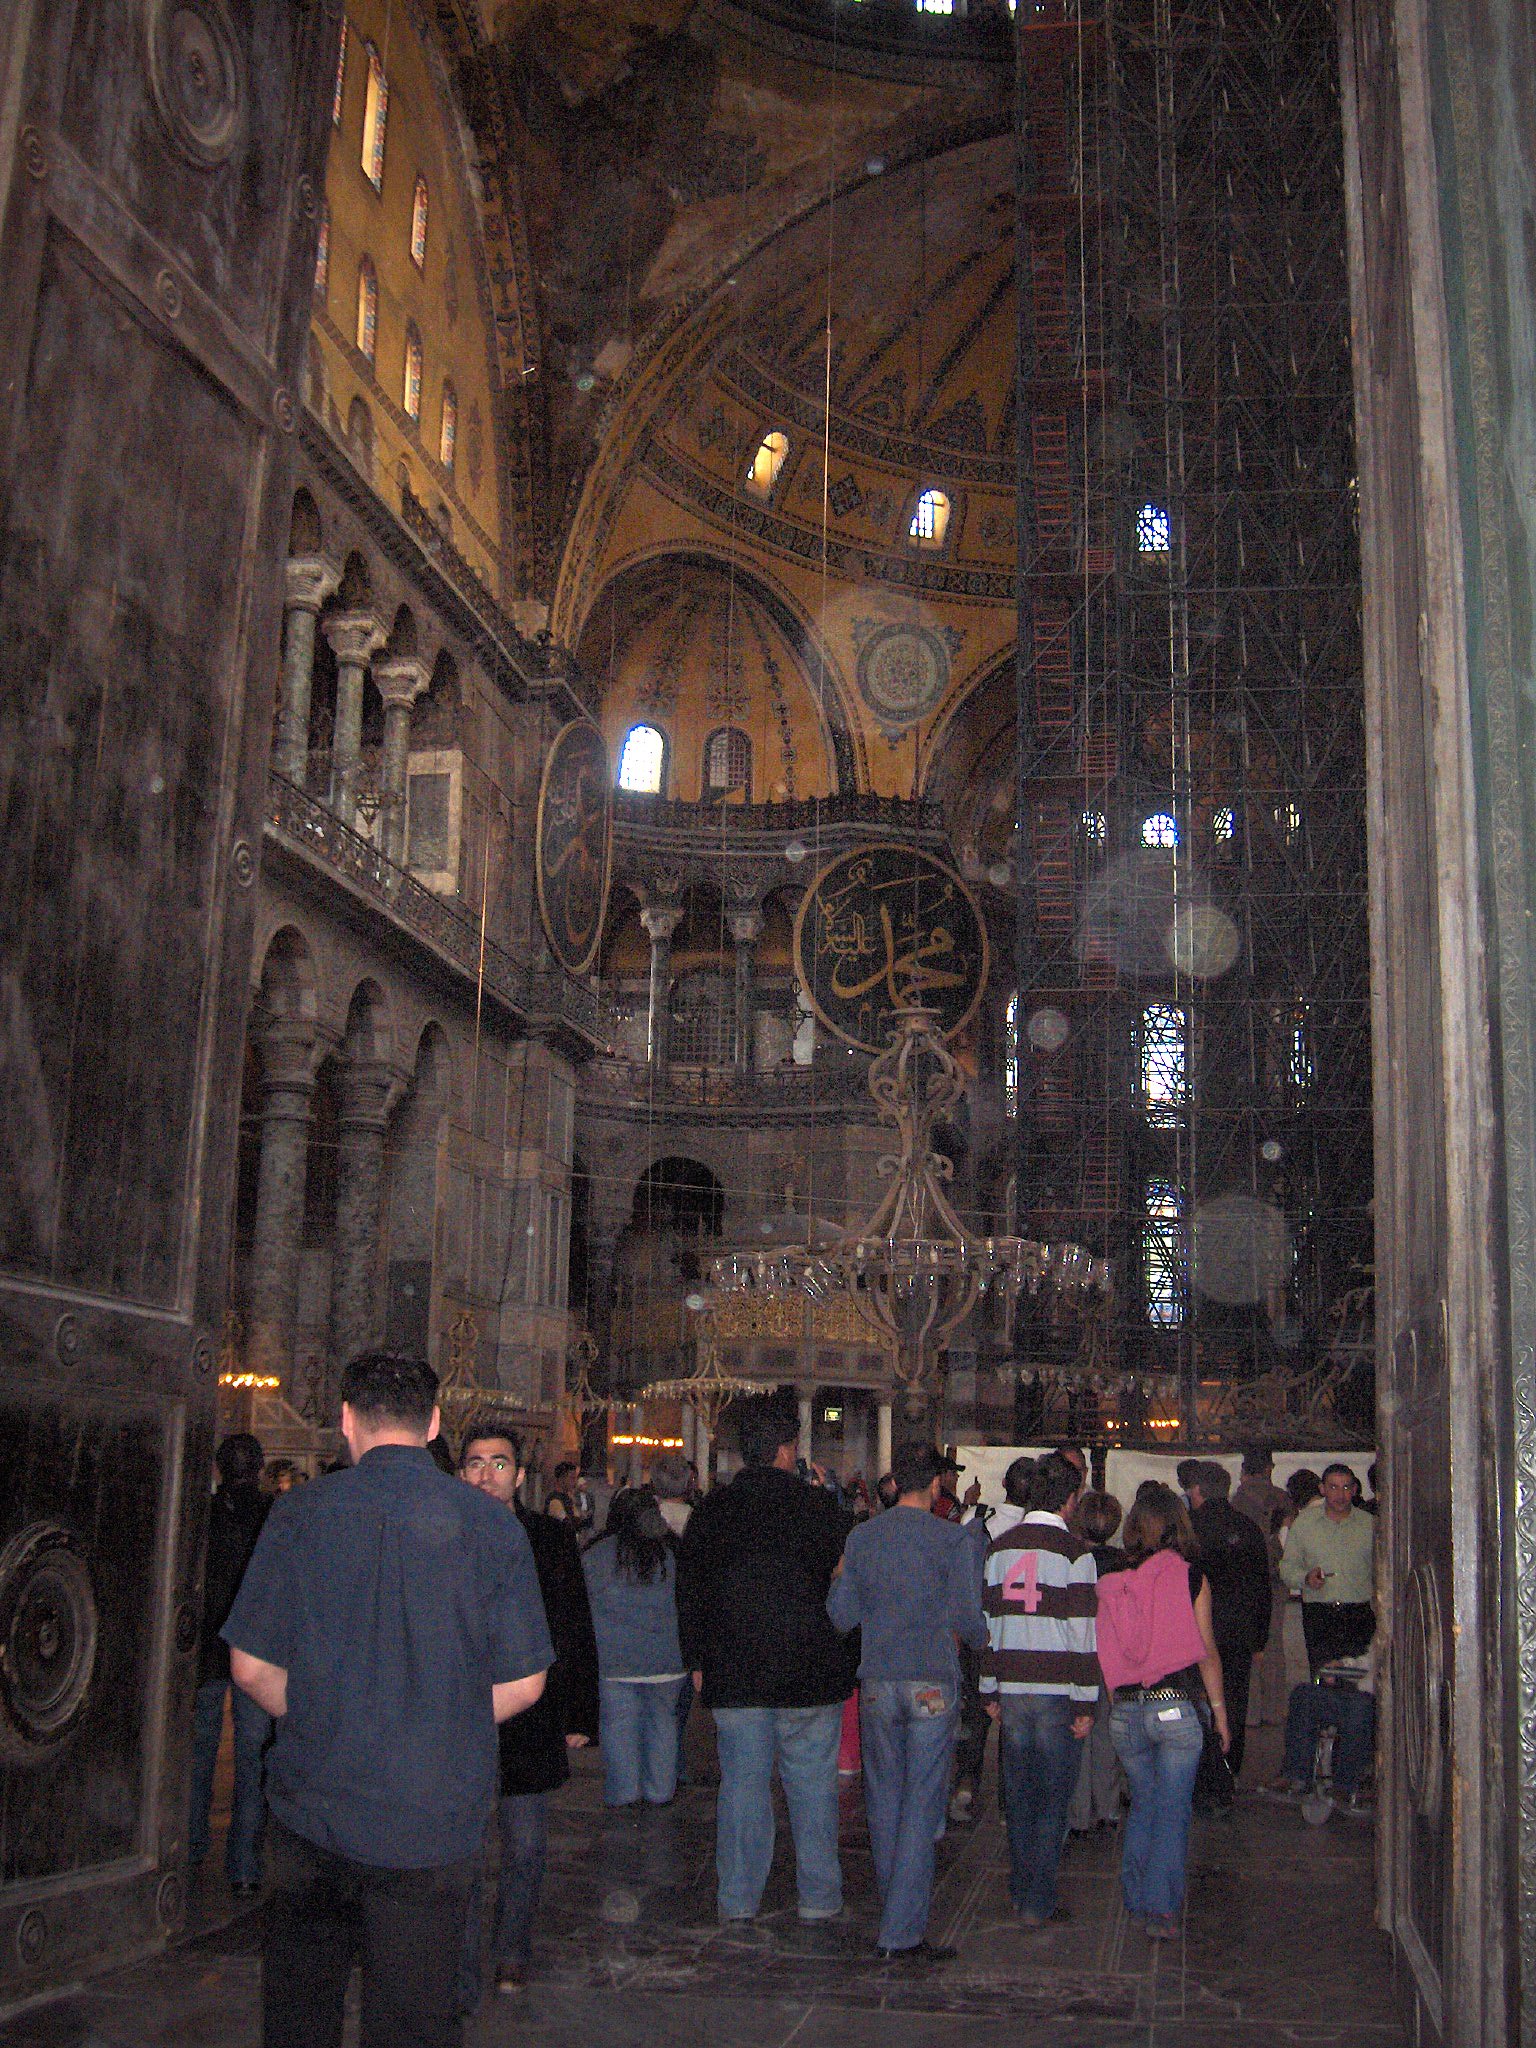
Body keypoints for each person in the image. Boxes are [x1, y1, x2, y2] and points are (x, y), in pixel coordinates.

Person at [224, 1354, 552, 2048]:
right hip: (428, 1819)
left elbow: (250, 1667)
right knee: (413, 2021)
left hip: (315, 1807)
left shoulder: (298, 1512)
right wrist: (434, 1717)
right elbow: (525, 1683)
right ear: (434, 1424)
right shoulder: (493, 1528)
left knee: (301, 2016)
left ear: (345, 1420)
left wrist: (330, 1708)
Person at [677, 1392, 856, 1924]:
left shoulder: (711, 1509)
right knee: (812, 1789)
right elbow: (842, 1583)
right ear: (787, 1448)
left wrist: (697, 1659)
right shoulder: (817, 1507)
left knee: (743, 1786)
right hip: (808, 1667)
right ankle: (819, 1898)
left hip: (735, 1668)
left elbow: (690, 1591)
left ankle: (737, 1899)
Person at [827, 1440, 987, 1960]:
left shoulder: (863, 1536)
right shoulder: (952, 1540)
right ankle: (901, 1929)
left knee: (883, 1800)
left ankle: (894, 1909)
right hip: (931, 1683)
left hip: (877, 1680)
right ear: (937, 1484)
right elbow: (968, 1619)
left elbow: (841, 1615)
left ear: (894, 1482)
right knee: (921, 1804)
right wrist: (981, 1637)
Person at [457, 1420, 598, 2004]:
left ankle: (511, 1949)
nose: (487, 1474)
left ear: (519, 1474)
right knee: (457, 1848)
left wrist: (581, 1712)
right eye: (475, 1463)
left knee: (525, 1844)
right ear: (460, 1472)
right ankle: (461, 1959)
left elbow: (572, 1621)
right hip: (456, 1712)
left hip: (530, 1709)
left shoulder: (548, 1537)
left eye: (499, 1463)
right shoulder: (441, 1534)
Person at [1097, 1482, 1230, 1941]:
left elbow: (1108, 1653)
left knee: (1143, 1804)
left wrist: (1121, 1707)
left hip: (1126, 1710)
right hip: (1174, 1707)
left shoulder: (1112, 1581)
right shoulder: (1191, 1576)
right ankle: (1160, 1909)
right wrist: (1219, 1713)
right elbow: (1206, 1651)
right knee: (1173, 1810)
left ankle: (1135, 1896)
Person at [979, 1452, 1098, 1926]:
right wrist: (1086, 1699)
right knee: (1052, 1801)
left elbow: (987, 1625)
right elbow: (1082, 1633)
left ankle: (1020, 1888)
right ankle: (1037, 1899)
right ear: (1070, 1501)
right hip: (1055, 1694)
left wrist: (988, 1690)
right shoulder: (1075, 1554)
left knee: (1020, 1796)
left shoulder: (999, 1548)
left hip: (1010, 1689)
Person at [189, 1433, 271, 1897]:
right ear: (258, 1467)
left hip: (204, 1645)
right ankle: (242, 1865)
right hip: (253, 1647)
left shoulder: (200, 1513)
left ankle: (193, 1848)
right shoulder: (273, 1516)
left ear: (218, 1469)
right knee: (252, 1758)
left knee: (199, 1756)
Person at [583, 1487, 687, 1808]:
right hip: (668, 1661)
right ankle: (660, 1789)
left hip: (616, 1663)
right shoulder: (671, 1551)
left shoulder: (597, 1554)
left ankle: (624, 1791)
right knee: (663, 1725)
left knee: (619, 1728)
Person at [948, 1455, 1038, 1824]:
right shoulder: (1037, 1534)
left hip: (977, 1631)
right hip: (1017, 1635)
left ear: (1004, 1485)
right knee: (1014, 1716)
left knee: (975, 1711)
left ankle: (966, 1784)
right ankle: (1009, 1800)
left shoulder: (977, 1519)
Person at [1186, 1460, 1271, 1781]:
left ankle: (1197, 1770)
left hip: (1195, 1629)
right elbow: (1262, 1586)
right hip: (1238, 1632)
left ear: (1196, 1490)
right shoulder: (1247, 1527)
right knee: (1233, 1701)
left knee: (1196, 1699)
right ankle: (1228, 1768)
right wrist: (1259, 1638)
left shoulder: (1188, 1527)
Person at [1066, 1490, 1127, 1836]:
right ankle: (1108, 1805)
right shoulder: (1123, 1563)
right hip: (1113, 1655)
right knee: (1107, 1730)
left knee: (1079, 1731)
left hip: (1080, 1652)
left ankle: (1078, 1811)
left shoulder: (1073, 1558)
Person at [1279, 1462, 1375, 1671]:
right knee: (1323, 1681)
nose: (1340, 1495)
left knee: (1359, 1681)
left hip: (1359, 1614)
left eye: (1346, 1487)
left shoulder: (1370, 1525)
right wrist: (1306, 1578)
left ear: (1355, 1490)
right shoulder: (1304, 1524)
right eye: (1333, 1487)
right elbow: (1287, 1568)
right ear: (1322, 1489)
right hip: (1320, 1614)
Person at [1267, 1644, 1378, 1814]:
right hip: (1357, 1693)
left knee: (1359, 1708)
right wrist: (1342, 1665)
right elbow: (1369, 1660)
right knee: (1304, 1694)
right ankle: (1296, 1775)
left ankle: (1345, 1785)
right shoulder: (1387, 1632)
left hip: (1376, 1700)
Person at [1232, 1449, 1293, 1725]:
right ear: (1269, 1468)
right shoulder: (1282, 1497)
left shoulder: (1238, 1500)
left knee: (1248, 1643)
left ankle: (1251, 1712)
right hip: (1275, 1577)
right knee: (1274, 1643)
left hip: (1245, 1579)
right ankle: (1274, 1709)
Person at [546, 1460, 594, 1534]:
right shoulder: (555, 1500)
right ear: (562, 1479)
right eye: (572, 1478)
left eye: (575, 1478)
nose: (575, 1482)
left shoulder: (568, 1497)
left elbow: (577, 1517)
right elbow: (567, 1525)